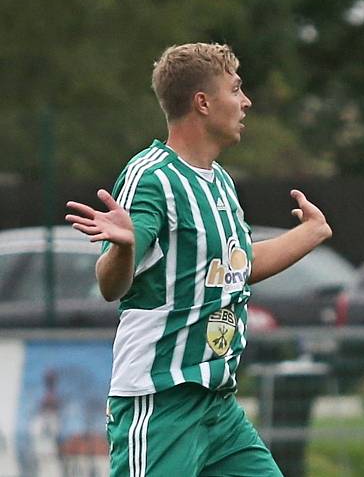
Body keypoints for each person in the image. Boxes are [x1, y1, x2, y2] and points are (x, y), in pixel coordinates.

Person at [65, 42, 332, 476]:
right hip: (161, 402)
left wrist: (311, 233)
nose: (245, 102)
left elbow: (238, 269)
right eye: (236, 89)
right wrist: (125, 248)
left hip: (217, 406)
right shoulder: (152, 177)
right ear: (203, 103)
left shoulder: (221, 182)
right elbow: (111, 284)